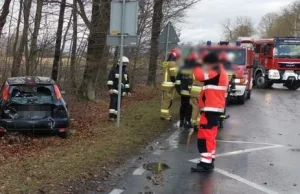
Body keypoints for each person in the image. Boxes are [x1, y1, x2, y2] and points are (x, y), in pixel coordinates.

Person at [191, 52, 228, 172]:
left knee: (205, 136)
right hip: (213, 108)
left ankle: (206, 164)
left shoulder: (216, 69)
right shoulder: (220, 70)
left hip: (211, 108)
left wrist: (196, 63)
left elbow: (199, 75)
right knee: (209, 136)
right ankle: (208, 161)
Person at [175, 51, 197, 129]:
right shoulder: (194, 69)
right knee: (189, 107)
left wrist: (179, 90)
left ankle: (181, 121)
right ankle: (187, 122)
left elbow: (177, 81)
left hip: (182, 92)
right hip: (190, 92)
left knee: (183, 106)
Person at [107, 56, 131, 121]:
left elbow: (127, 83)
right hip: (114, 91)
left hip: (121, 92)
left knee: (118, 104)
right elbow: (110, 80)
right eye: (124, 63)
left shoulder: (125, 73)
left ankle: (115, 116)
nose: (125, 65)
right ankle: (111, 117)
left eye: (126, 63)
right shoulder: (114, 71)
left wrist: (128, 91)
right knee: (113, 103)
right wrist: (110, 88)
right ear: (120, 63)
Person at [160, 48, 181, 121]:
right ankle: (164, 115)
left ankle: (165, 114)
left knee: (165, 100)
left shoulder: (166, 63)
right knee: (167, 101)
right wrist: (177, 84)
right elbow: (173, 76)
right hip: (169, 86)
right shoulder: (172, 63)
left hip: (165, 85)